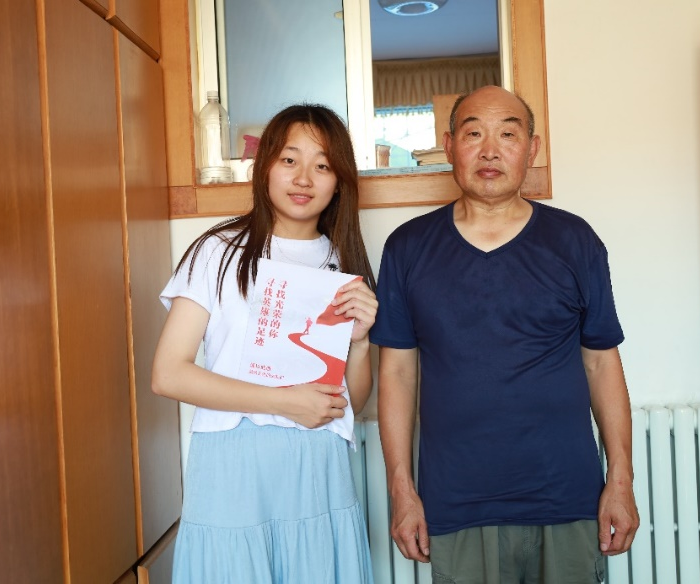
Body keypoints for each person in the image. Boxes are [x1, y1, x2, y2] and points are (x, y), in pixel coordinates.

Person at [370, 86, 639, 584]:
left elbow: (602, 362)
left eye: (508, 135)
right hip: (456, 504)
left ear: (531, 149)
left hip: (567, 498)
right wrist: (402, 492)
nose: (490, 151)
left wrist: (620, 481)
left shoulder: (575, 241)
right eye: (474, 134)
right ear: (449, 146)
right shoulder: (407, 248)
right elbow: (397, 375)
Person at [152, 104, 378, 583]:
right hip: (234, 466)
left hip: (317, 467)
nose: (303, 178)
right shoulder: (217, 251)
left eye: (323, 165)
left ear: (339, 182)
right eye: (289, 160)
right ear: (265, 168)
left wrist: (359, 345)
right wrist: (283, 401)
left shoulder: (343, 262)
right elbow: (168, 374)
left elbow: (352, 403)